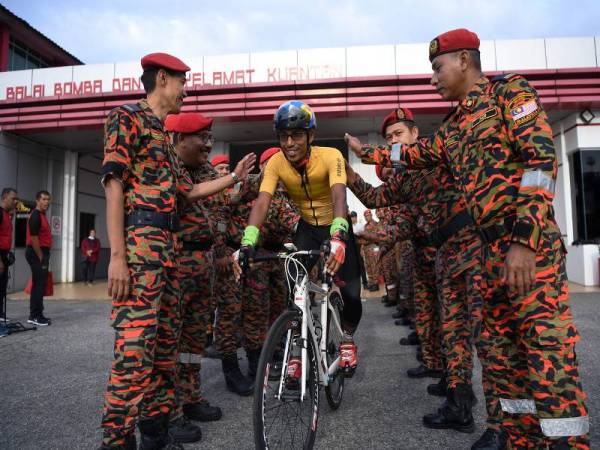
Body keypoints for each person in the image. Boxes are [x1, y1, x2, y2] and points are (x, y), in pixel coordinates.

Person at [346, 28, 589, 450]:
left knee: (545, 350)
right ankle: (519, 438)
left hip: (525, 246)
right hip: (485, 252)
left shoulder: (509, 93)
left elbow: (540, 160)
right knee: (501, 355)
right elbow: (415, 155)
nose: (433, 78)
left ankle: (567, 441)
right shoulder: (454, 127)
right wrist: (368, 155)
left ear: (463, 60)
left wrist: (523, 241)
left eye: (437, 68)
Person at [99, 52, 255, 450]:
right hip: (140, 249)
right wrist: (117, 256)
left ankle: (155, 433)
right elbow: (113, 183)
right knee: (135, 352)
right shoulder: (126, 117)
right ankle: (117, 441)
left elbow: (189, 192)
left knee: (165, 348)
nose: (186, 91)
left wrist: (234, 179)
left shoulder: (162, 136)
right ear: (163, 79)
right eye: (183, 82)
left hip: (167, 252)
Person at [239, 100, 362, 376]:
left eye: (296, 135)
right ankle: (297, 350)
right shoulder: (276, 163)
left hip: (335, 224)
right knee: (294, 292)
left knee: (352, 295)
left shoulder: (330, 156)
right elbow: (262, 202)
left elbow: (339, 195)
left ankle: (348, 339)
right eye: (283, 136)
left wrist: (340, 237)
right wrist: (248, 241)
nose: (289, 142)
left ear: (311, 135)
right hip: (307, 230)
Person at [26, 190, 52, 327]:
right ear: (37, 201)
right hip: (37, 252)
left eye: (48, 199)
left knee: (39, 284)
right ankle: (35, 315)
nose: (46, 202)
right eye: (43, 199)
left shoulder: (42, 215)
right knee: (39, 285)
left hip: (41, 252)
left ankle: (36, 314)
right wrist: (41, 255)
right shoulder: (36, 215)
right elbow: (34, 238)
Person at [0, 187, 17, 324]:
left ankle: (0, 314)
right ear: (5, 197)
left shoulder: (7, 214)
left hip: (4, 254)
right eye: (13, 198)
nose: (15, 201)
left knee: (2, 286)